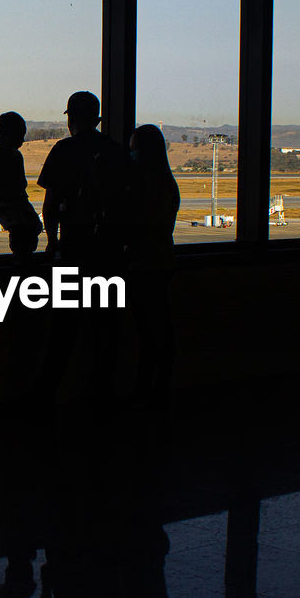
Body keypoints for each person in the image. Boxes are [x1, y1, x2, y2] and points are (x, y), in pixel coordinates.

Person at [37, 92, 128, 266]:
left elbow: (51, 203)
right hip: (109, 246)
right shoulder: (115, 150)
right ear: (97, 120)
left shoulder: (63, 150)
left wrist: (52, 240)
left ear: (70, 119)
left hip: (73, 243)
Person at [125, 124, 180, 402]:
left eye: (134, 148)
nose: (130, 153)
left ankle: (147, 387)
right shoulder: (167, 182)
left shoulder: (146, 185)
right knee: (158, 327)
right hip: (161, 260)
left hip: (145, 264)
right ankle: (156, 385)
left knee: (148, 332)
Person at [0, 111, 42, 258]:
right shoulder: (3, 154)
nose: (22, 141)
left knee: (30, 227)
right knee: (29, 228)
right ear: (8, 134)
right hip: (9, 202)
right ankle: (22, 256)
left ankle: (21, 255)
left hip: (10, 201)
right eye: (19, 135)